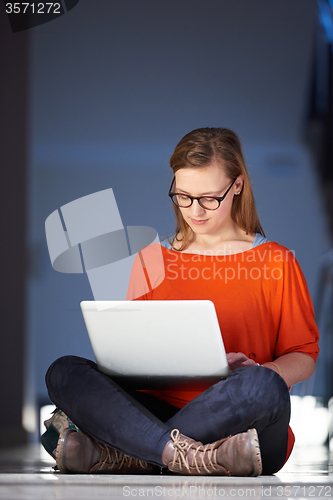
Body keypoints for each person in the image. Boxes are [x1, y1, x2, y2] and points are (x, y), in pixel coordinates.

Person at [42, 127, 319, 476]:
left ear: (237, 186)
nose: (194, 211)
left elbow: (304, 358)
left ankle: (132, 453)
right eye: (183, 196)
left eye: (208, 198)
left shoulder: (276, 261)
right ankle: (183, 454)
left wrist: (265, 370)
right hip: (156, 412)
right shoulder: (151, 260)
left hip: (242, 421)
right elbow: (127, 353)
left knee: (265, 387)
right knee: (64, 372)